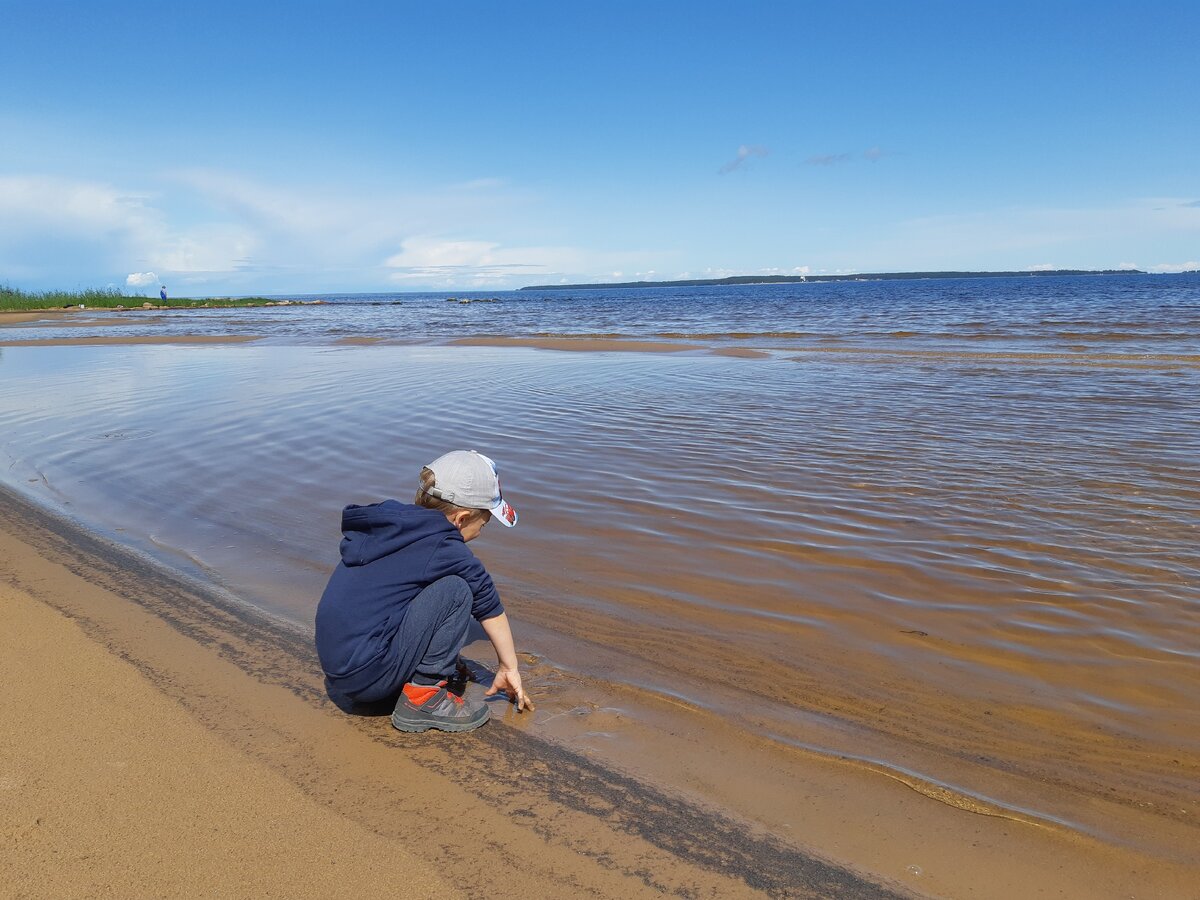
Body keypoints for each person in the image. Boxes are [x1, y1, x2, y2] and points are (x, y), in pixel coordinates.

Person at [315, 450, 532, 733]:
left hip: (339, 667)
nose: (482, 531)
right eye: (485, 523)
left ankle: (413, 675)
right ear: (462, 518)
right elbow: (488, 604)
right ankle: (422, 698)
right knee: (457, 590)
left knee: (425, 585)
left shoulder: (392, 528)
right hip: (367, 676)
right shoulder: (444, 547)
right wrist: (508, 667)